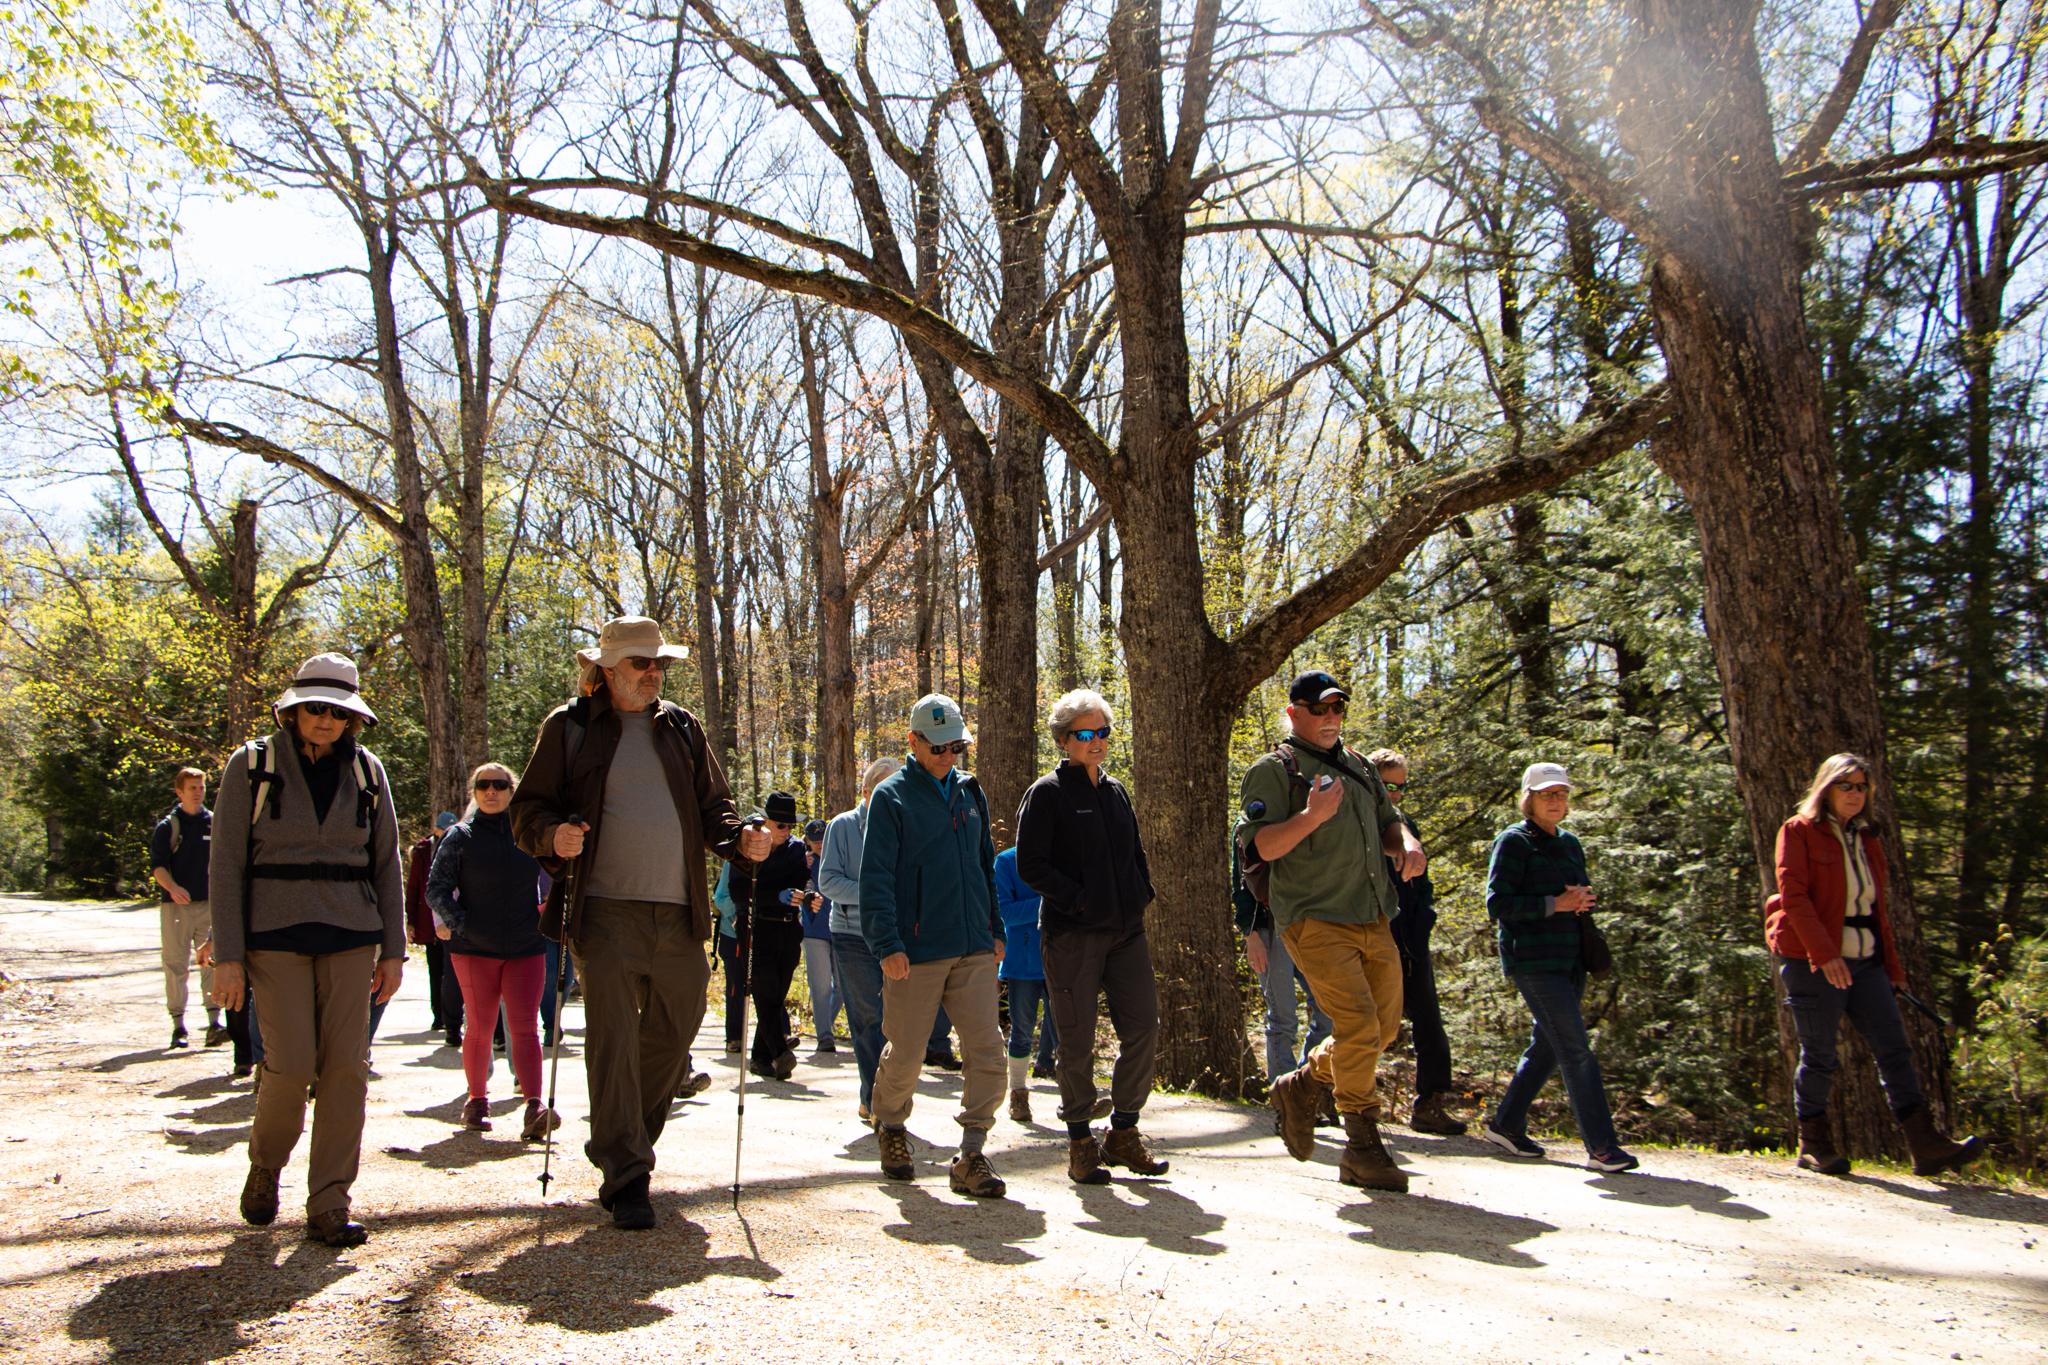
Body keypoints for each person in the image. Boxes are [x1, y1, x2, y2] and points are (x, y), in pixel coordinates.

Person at [508, 616, 769, 1230]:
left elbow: (715, 810)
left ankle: (622, 1143)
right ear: (606, 668)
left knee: (677, 1029)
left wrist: (742, 842)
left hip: (680, 907)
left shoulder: (680, 727)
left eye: (659, 664)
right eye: (640, 663)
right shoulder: (569, 727)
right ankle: (627, 1172)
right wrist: (554, 836)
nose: (653, 673)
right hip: (603, 909)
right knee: (614, 1038)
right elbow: (527, 810)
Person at [209, 652, 405, 1247]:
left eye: (338, 712)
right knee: (290, 1066)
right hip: (274, 939)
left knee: (347, 1070)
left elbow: (387, 862)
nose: (325, 720)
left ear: (353, 719)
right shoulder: (253, 767)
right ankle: (267, 1164)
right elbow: (225, 865)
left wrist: (394, 949)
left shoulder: (369, 773)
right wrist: (228, 955)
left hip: (351, 936)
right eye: (314, 708)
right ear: (293, 710)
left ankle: (329, 1203)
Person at [1236, 670, 1424, 1192]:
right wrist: (1313, 816)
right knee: (1360, 1027)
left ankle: (1303, 1083)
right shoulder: (1276, 771)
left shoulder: (1360, 767)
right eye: (1321, 709)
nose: (1332, 718)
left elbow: (1392, 821)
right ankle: (1362, 1146)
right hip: (1314, 919)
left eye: (1339, 709)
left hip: (1373, 915)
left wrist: (1405, 844)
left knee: (1382, 1031)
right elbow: (1262, 847)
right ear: (1294, 711)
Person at [1767, 753, 1981, 1177]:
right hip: (1810, 960)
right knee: (1820, 1054)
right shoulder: (1798, 831)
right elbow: (1794, 898)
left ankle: (1925, 1144)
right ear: (1826, 788)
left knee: (1895, 1049)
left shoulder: (1867, 839)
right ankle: (1813, 1142)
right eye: (1846, 785)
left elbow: (1878, 911)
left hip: (1867, 962)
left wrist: (1894, 970)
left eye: (1862, 786)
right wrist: (1825, 955)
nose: (1855, 794)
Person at [1016, 689, 1168, 1183]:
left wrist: (1141, 893)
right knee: (1076, 1042)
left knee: (1144, 1025)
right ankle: (1080, 1140)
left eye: (1103, 731)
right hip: (1072, 935)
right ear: (1064, 740)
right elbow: (1031, 865)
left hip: (1127, 933)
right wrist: (1079, 900)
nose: (1097, 741)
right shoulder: (1048, 793)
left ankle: (1123, 1132)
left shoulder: (1116, 790)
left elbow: (1136, 854)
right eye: (1086, 734)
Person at [860, 693, 1008, 1197]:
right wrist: (887, 944)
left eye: (956, 748)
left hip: (972, 946)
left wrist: (994, 929)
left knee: (988, 1051)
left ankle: (971, 1154)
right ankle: (892, 1127)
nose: (948, 757)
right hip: (915, 951)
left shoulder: (970, 793)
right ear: (914, 742)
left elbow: (984, 865)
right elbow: (874, 877)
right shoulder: (891, 797)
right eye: (939, 748)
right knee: (907, 1052)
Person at [1480, 762, 1636, 1173]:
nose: (1557, 801)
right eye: (1548, 793)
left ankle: (1506, 1123)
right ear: (1528, 798)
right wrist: (1555, 904)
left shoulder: (1569, 844)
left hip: (1570, 958)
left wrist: (1580, 901)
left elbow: (1574, 894)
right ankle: (1602, 1147)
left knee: (1548, 1047)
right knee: (1575, 1049)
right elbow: (1498, 905)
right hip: (1533, 960)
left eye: (1563, 794)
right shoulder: (1513, 842)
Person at [426, 763, 556, 1142]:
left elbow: (556, 879)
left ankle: (535, 1106)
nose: (491, 791)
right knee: (480, 1026)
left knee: (525, 1028)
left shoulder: (528, 835)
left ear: (512, 791)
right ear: (475, 791)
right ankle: (477, 1100)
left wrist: (551, 914)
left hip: (525, 946)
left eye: (500, 785)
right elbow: (436, 888)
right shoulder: (459, 837)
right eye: (483, 785)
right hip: (474, 950)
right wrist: (460, 924)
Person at [1367, 749, 1465, 1136]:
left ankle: (1430, 1104)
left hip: (1412, 939)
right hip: (1374, 938)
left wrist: (1423, 923)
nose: (1394, 795)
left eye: (1401, 787)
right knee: (1367, 1024)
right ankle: (1338, 1094)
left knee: (1429, 1024)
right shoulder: (1360, 825)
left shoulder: (1408, 827)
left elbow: (1423, 885)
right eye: (1387, 786)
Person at [817, 758, 898, 1125]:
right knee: (868, 1020)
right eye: (883, 789)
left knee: (897, 1023)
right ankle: (876, 1099)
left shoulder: (904, 826)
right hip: (851, 936)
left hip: (896, 936)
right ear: (866, 792)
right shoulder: (843, 826)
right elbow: (828, 882)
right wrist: (875, 893)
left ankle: (883, 1098)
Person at [1232, 832, 1332, 1089]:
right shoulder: (1250, 819)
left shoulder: (1304, 816)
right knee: (1283, 1018)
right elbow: (1240, 880)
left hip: (1307, 927)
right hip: (1268, 928)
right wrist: (1251, 933)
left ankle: (1306, 1085)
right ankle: (1285, 1096)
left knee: (1329, 1011)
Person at [727, 792, 813, 1081]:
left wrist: (809, 896)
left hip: (788, 930)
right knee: (764, 991)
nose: (786, 831)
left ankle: (761, 1058)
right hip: (756, 927)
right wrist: (774, 896)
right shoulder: (747, 847)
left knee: (777, 992)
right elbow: (738, 891)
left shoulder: (797, 849)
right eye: (781, 825)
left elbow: (804, 882)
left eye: (790, 826)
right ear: (766, 820)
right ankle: (779, 1051)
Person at [151, 767, 221, 1050]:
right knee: (176, 965)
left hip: (209, 905)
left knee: (211, 964)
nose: (197, 792)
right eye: (191, 787)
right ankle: (178, 1024)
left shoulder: (215, 823)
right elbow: (158, 866)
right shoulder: (169, 827)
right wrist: (172, 887)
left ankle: (215, 1023)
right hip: (176, 908)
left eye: (201, 787)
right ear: (179, 792)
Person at [994, 844, 1057, 1122]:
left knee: (1069, 1035)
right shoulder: (1006, 862)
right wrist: (1050, 901)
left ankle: (1076, 1098)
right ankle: (1018, 1094)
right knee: (1021, 1032)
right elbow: (1004, 913)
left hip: (1062, 960)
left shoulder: (1063, 857)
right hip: (1023, 962)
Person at [405, 810, 460, 1044]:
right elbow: (416, 886)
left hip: (452, 920)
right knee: (435, 970)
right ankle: (439, 1016)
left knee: (451, 973)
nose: (446, 832)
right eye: (442, 828)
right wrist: (411, 920)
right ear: (436, 829)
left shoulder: (460, 844)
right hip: (429, 920)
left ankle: (450, 1020)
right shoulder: (422, 851)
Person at [799, 818, 841, 1053]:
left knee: (844, 986)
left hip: (841, 928)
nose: (820, 845)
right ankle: (825, 1036)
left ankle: (824, 1023)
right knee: (821, 985)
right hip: (814, 931)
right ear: (808, 841)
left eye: (823, 839)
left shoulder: (839, 857)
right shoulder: (804, 862)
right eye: (815, 841)